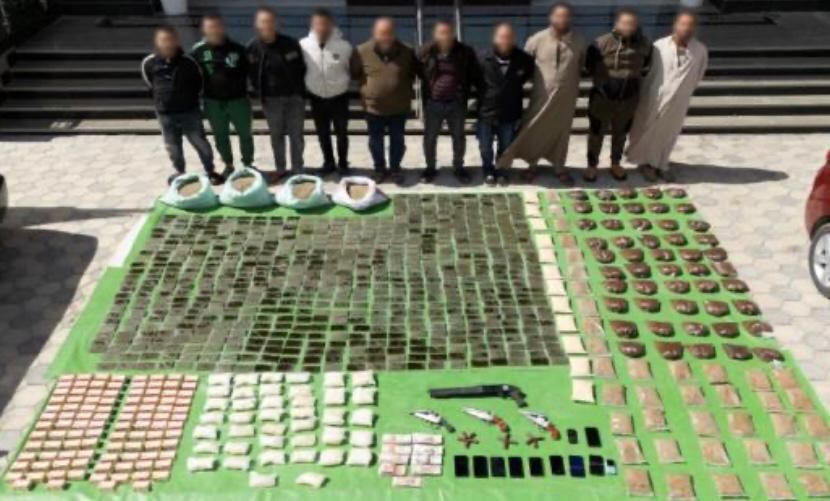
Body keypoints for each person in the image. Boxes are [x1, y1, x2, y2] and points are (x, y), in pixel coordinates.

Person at [497, 2, 587, 185]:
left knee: (561, 132)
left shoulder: (579, 41)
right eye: (558, 16)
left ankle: (559, 167)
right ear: (551, 18)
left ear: (570, 18)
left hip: (566, 97)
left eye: (566, 16)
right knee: (535, 128)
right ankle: (532, 165)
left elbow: (582, 66)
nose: (562, 19)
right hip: (541, 96)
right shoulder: (536, 39)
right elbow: (524, 65)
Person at [627, 9, 708, 182]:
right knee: (648, 131)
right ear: (675, 25)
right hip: (655, 99)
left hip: (679, 102)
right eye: (683, 24)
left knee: (669, 134)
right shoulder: (659, 46)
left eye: (690, 25)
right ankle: (646, 164)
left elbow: (698, 75)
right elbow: (648, 73)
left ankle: (661, 163)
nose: (686, 28)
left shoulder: (700, 51)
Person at [141, 26, 220, 185]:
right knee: (172, 146)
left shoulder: (189, 62)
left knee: (200, 142)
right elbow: (149, 82)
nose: (167, 43)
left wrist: (188, 99)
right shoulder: (149, 63)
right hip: (165, 114)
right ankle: (180, 172)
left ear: (176, 41)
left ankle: (210, 170)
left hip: (189, 112)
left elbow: (199, 83)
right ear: (156, 42)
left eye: (170, 39)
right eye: (163, 40)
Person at [584, 8, 652, 182]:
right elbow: (589, 67)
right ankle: (592, 165)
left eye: (632, 24)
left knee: (620, 134)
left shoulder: (645, 44)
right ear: (617, 23)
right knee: (596, 133)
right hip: (602, 98)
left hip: (628, 100)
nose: (628, 27)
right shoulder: (600, 43)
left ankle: (615, 163)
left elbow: (646, 67)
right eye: (625, 23)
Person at [351, 17, 418, 184]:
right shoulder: (361, 51)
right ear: (374, 33)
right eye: (381, 33)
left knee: (398, 142)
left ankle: (395, 169)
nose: (385, 37)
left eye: (388, 33)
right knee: (376, 143)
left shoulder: (408, 51)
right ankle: (379, 169)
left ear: (394, 34)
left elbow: (412, 74)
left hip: (399, 108)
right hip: (373, 108)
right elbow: (355, 74)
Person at [417, 20, 481, 184]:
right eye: (441, 32)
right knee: (430, 138)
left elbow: (474, 75)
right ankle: (430, 168)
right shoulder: (425, 52)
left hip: (456, 103)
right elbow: (417, 72)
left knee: (458, 137)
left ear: (453, 34)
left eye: (447, 32)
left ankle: (459, 168)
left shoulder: (465, 52)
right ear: (435, 34)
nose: (444, 36)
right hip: (433, 103)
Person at [192, 14, 254, 179]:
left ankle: (248, 164)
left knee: (245, 134)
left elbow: (250, 71)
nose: (215, 31)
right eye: (210, 27)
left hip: (238, 101)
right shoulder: (198, 51)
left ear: (223, 27)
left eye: (217, 26)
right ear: (204, 30)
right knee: (220, 136)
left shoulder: (238, 49)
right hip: (213, 102)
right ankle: (228, 165)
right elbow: (191, 75)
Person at [247, 7, 307, 178]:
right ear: (257, 25)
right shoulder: (252, 48)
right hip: (271, 101)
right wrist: (258, 92)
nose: (267, 25)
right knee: (276, 136)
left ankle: (297, 168)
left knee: (296, 135)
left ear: (277, 23)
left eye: (270, 21)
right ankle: (280, 168)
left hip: (294, 98)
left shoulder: (291, 44)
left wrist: (300, 92)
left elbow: (302, 68)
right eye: (263, 21)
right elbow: (251, 73)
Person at [477, 22, 534, 186]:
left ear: (514, 39)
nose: (505, 40)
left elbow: (523, 78)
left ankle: (502, 170)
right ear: (494, 38)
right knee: (485, 146)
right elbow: (475, 80)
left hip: (510, 111)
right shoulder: (481, 58)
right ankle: (488, 170)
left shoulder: (524, 59)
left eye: (508, 37)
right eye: (501, 37)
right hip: (486, 111)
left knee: (506, 145)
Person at [300, 8, 353, 176]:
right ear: (312, 25)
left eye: (324, 24)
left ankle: (343, 163)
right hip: (316, 97)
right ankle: (328, 162)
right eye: (317, 24)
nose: (321, 27)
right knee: (323, 133)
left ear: (331, 25)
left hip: (339, 97)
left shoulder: (344, 47)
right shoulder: (303, 46)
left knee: (341, 133)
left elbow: (350, 69)